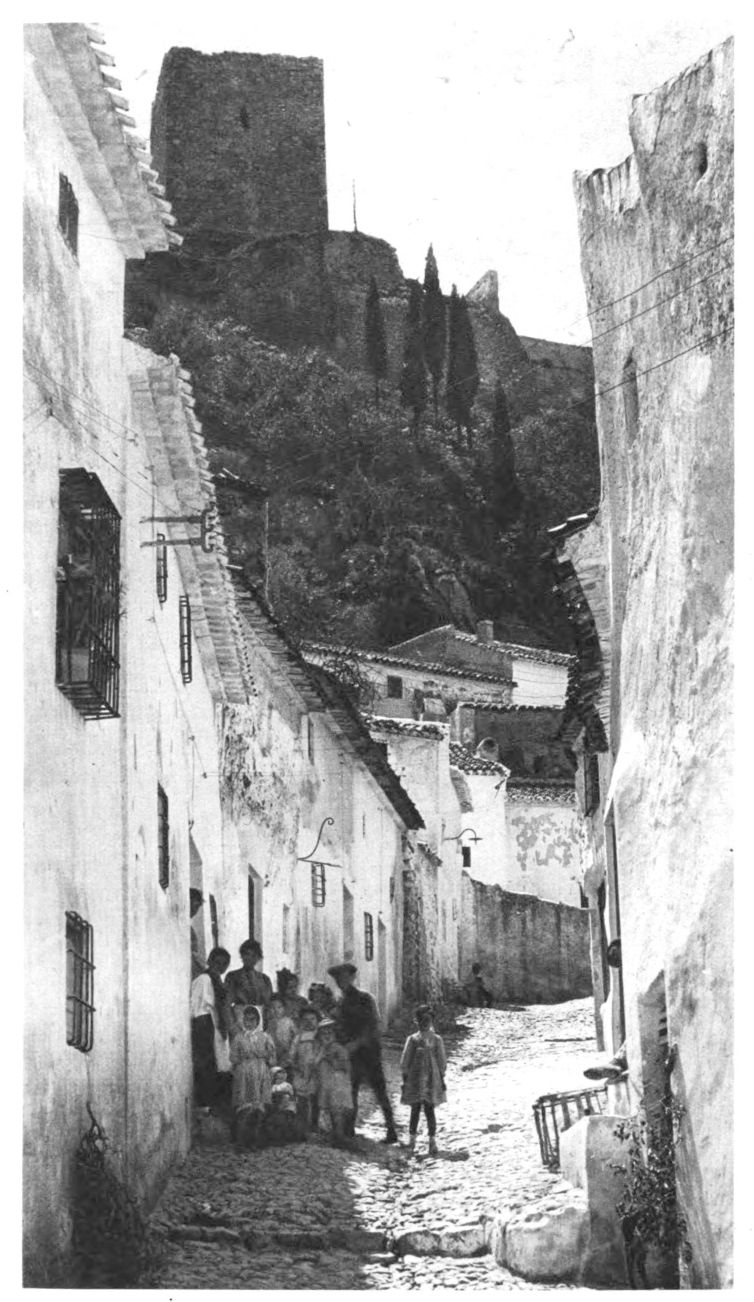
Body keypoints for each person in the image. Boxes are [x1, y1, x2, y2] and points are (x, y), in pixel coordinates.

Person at [328, 961, 398, 1144]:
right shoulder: (340, 1002)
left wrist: (357, 1043)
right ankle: (349, 1128)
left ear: (352, 978)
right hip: (351, 1053)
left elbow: (373, 1026)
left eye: (344, 978)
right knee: (351, 1090)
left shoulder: (366, 999)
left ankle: (391, 1129)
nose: (341, 982)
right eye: (338, 979)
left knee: (379, 1090)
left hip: (369, 1051)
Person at [400, 1004, 447, 1156]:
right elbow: (406, 1060)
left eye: (428, 1021)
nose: (425, 1024)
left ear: (432, 1021)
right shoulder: (413, 1039)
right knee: (415, 1109)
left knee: (429, 1110)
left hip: (432, 1080)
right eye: (422, 1020)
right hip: (415, 1079)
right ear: (417, 1021)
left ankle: (432, 1141)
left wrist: (442, 1078)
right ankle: (412, 1140)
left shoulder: (437, 1040)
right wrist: (405, 1079)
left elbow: (441, 1060)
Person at [190, 946, 231, 1107]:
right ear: (209, 961)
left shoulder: (218, 981)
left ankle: (214, 1106)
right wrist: (206, 1031)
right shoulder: (204, 979)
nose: (220, 967)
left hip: (215, 1026)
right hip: (205, 1026)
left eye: (224, 964)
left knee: (219, 1067)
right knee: (206, 1066)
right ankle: (205, 1107)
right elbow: (198, 1007)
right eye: (217, 962)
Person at [229, 1004, 276, 1145]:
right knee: (244, 1105)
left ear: (258, 1021)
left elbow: (272, 1057)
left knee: (259, 1105)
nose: (249, 1023)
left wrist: (263, 1056)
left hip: (260, 1072)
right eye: (246, 1019)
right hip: (244, 1073)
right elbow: (233, 1057)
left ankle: (257, 1138)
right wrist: (243, 1060)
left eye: (252, 1020)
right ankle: (242, 1139)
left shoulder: (265, 1037)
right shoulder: (239, 1038)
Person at [315, 1017, 353, 1147]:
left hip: (338, 1084)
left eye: (329, 1033)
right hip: (326, 1082)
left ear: (335, 1034)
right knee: (329, 1110)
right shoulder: (321, 1049)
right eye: (323, 1034)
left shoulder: (339, 1049)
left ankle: (339, 1136)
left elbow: (346, 1067)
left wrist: (332, 1060)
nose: (326, 1036)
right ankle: (333, 1135)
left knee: (337, 1110)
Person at [225, 940, 274, 1031]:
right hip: (240, 1021)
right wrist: (233, 1027)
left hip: (260, 1023)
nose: (249, 958)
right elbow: (227, 1004)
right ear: (242, 956)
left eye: (253, 955)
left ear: (258, 957)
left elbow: (269, 1005)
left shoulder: (265, 979)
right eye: (246, 954)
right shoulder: (233, 977)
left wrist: (268, 1027)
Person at [290, 1007, 321, 1134]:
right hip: (302, 1071)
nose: (309, 1022)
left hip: (317, 1072)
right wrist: (295, 1065)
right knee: (302, 1099)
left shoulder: (320, 1036)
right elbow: (292, 1054)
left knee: (316, 1099)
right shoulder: (299, 1037)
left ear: (318, 1021)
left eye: (312, 1019)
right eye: (305, 1020)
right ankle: (302, 1126)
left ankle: (314, 1124)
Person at [268, 993, 296, 1072]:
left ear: (284, 1009)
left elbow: (296, 1036)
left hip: (286, 1052)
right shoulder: (270, 1023)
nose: (276, 1010)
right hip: (274, 1053)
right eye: (272, 1008)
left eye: (279, 1007)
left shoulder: (289, 1021)